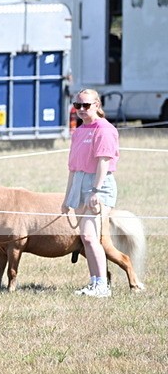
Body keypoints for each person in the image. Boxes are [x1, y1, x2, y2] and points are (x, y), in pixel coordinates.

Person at [61, 88, 120, 298]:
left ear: (97, 105)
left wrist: (96, 190)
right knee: (87, 238)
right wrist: (68, 198)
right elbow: (72, 168)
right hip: (79, 181)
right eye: (78, 105)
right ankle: (95, 282)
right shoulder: (79, 131)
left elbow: (104, 161)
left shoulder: (104, 129)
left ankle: (102, 285)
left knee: (89, 235)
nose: (81, 109)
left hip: (97, 183)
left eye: (86, 105)